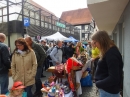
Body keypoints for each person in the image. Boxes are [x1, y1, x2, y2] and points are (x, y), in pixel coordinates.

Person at [91, 31, 123, 97]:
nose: (95, 45)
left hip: (109, 92)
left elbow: (114, 78)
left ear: (101, 40)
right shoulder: (109, 51)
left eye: (95, 42)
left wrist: (98, 84)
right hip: (108, 90)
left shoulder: (111, 54)